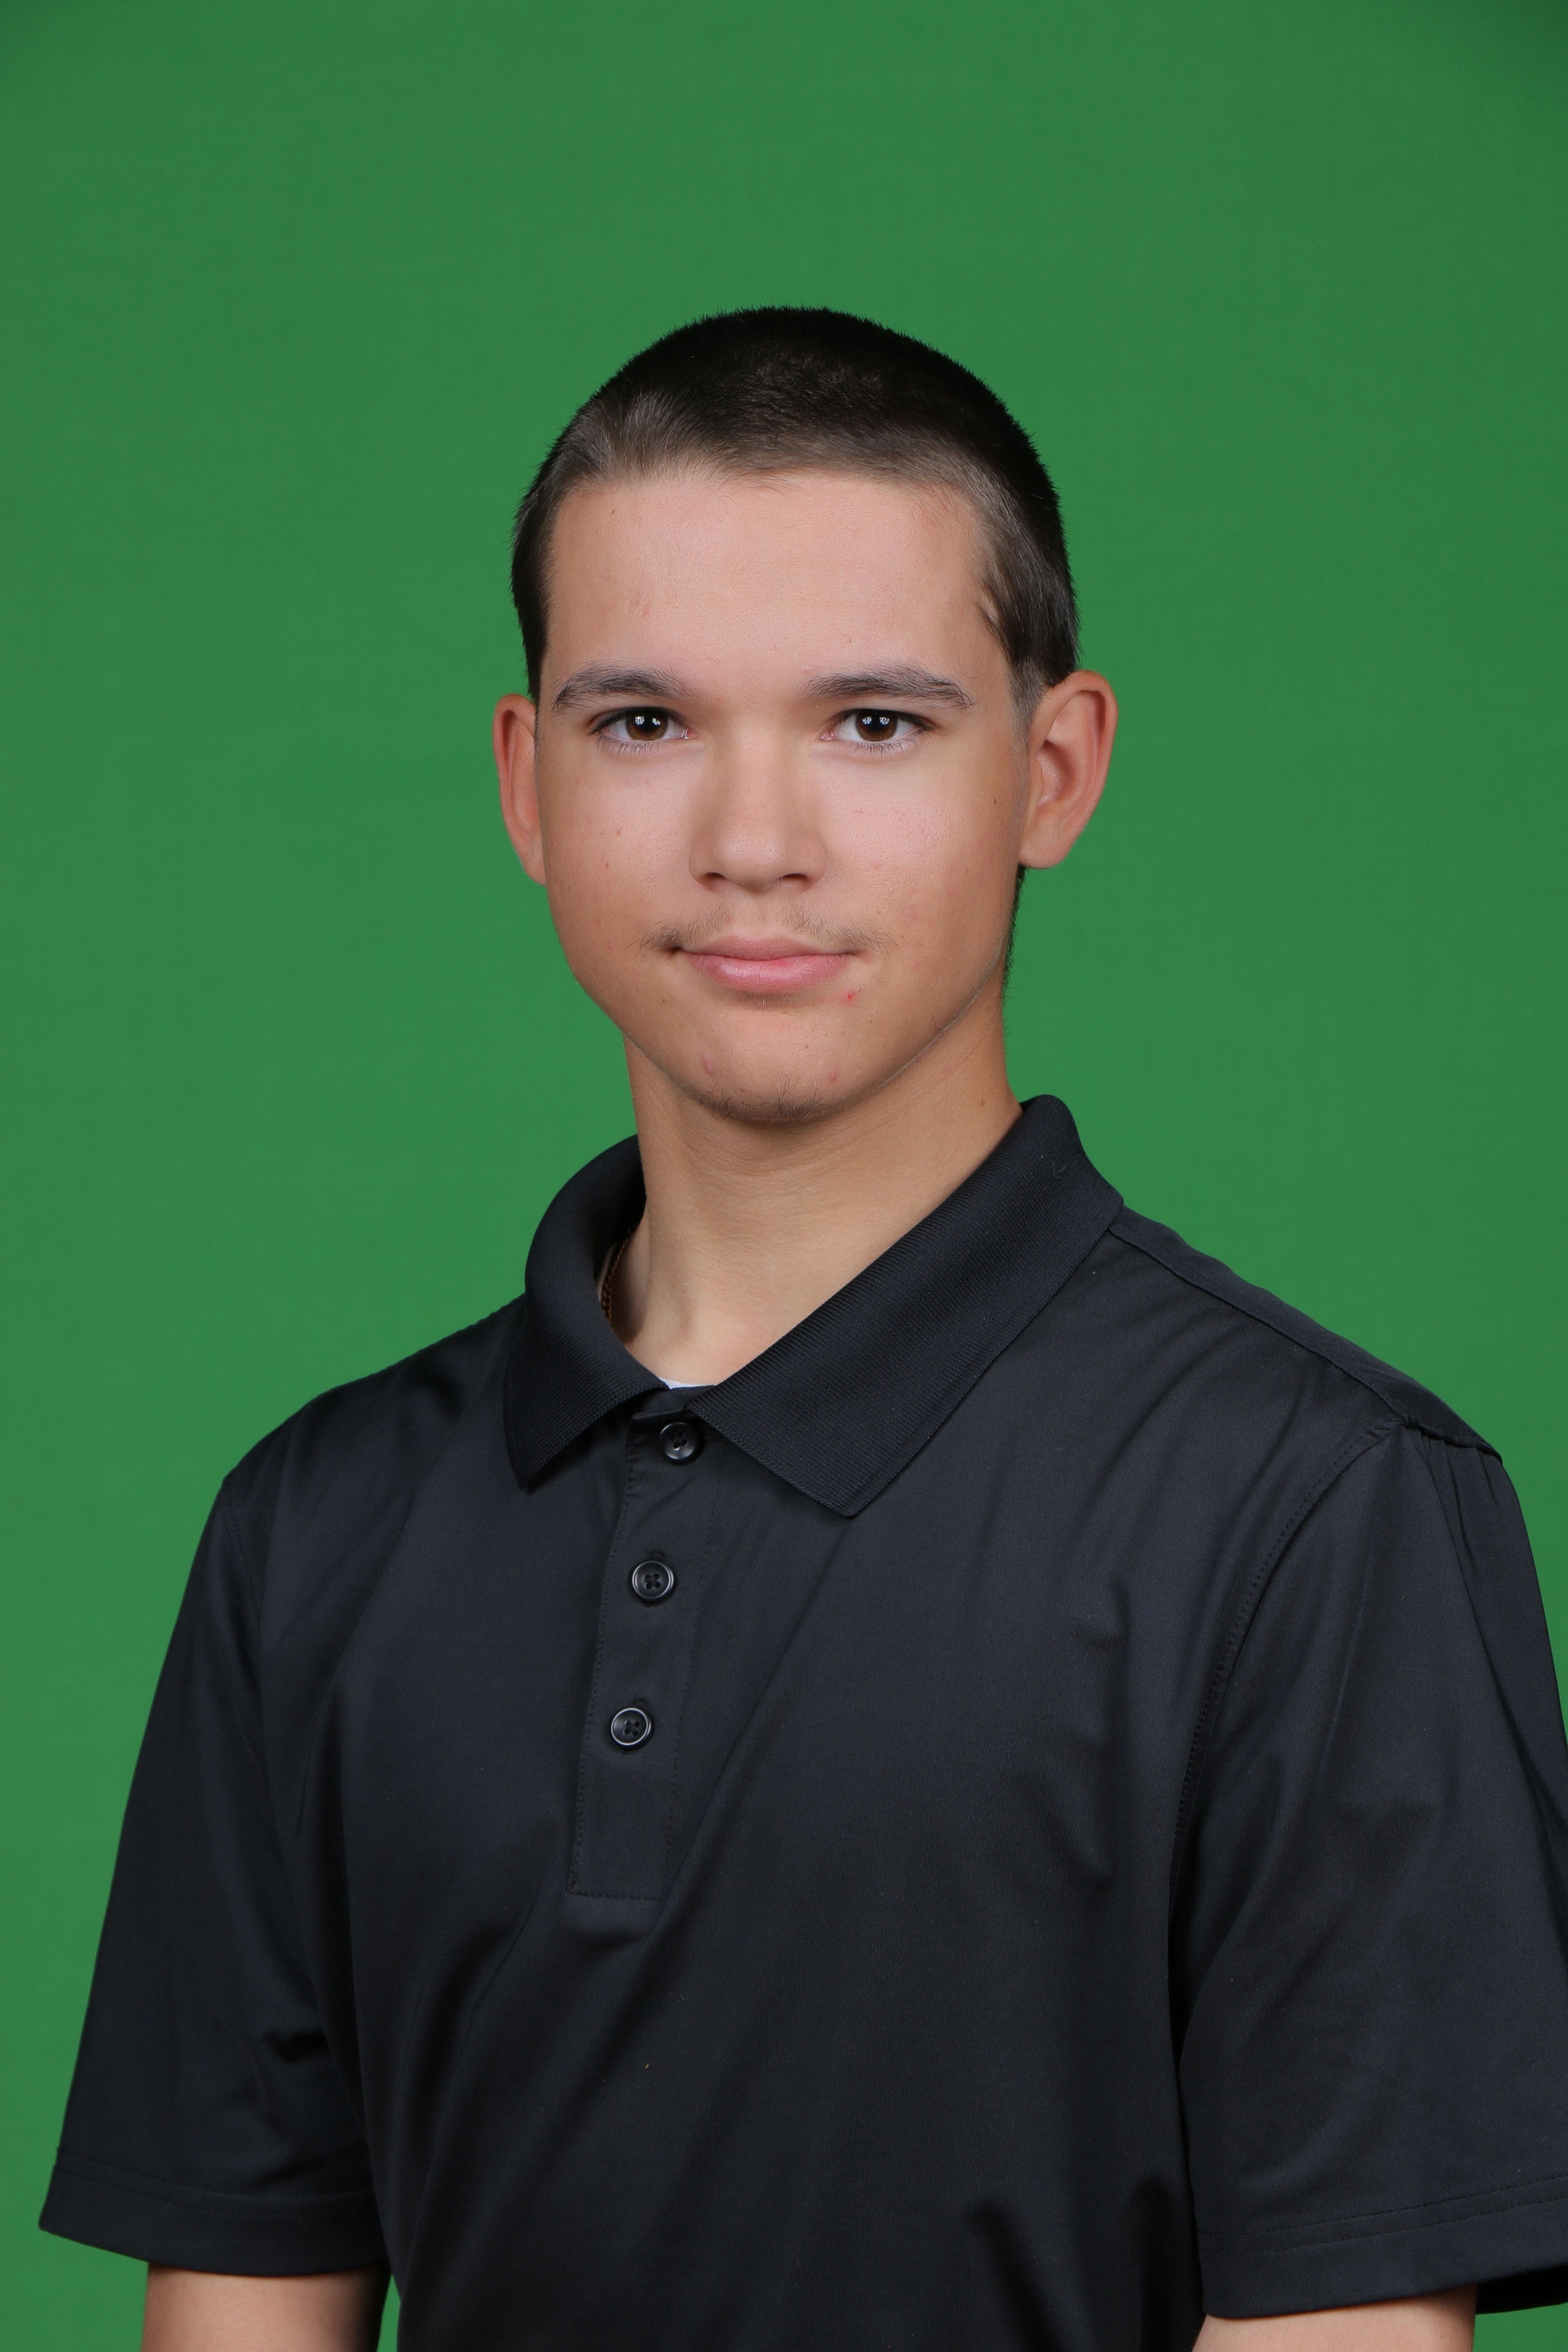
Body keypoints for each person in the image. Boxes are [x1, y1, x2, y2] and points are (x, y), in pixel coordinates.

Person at [41, 309, 1568, 2352]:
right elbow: (243, 2310)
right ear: (526, 784)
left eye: (872, 723)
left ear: (1052, 771)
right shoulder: (311, 1530)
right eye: (643, 721)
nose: (753, 839)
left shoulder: (1322, 1512)